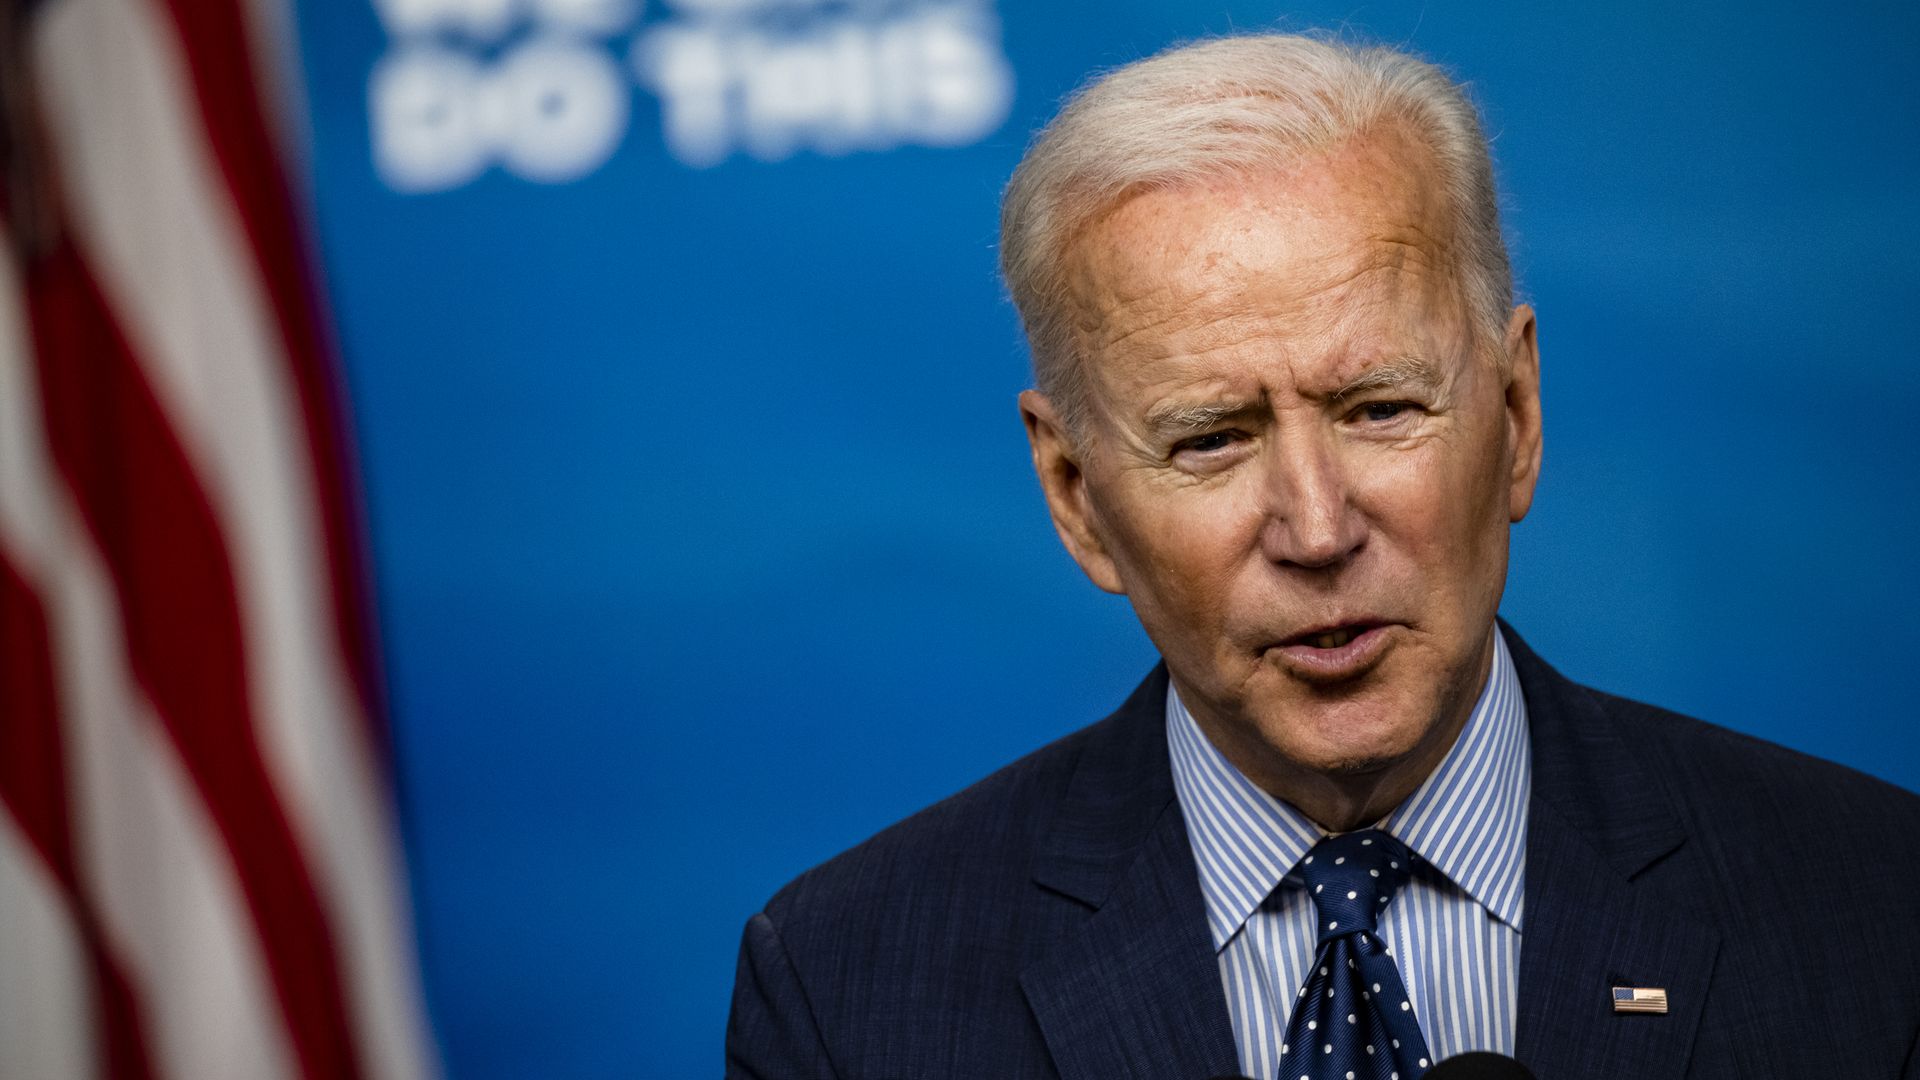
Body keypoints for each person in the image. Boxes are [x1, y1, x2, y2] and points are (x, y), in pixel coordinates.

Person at [725, 33, 1920, 1080]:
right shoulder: (847, 987)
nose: (1316, 528)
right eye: (1210, 439)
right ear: (1077, 497)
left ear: (1515, 415)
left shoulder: (1876, 912)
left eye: (1381, 409)